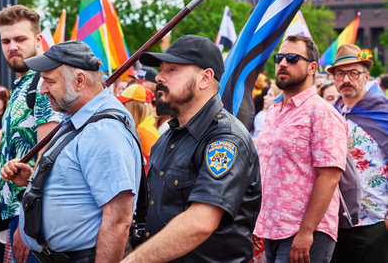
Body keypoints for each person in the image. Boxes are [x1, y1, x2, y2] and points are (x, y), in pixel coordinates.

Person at [122, 35, 261, 262]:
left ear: (205, 78)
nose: (159, 77)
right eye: (161, 69)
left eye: (172, 70)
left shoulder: (225, 139)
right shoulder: (166, 138)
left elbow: (200, 222)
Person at [0, 40, 142, 262]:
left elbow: (117, 221)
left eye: (49, 81)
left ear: (79, 81)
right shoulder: (78, 118)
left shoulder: (103, 131)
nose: (43, 89)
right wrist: (33, 180)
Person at [254, 35, 348, 263]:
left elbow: (329, 177)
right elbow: (265, 170)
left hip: (306, 232)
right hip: (272, 229)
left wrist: (306, 232)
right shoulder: (274, 112)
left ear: (312, 67)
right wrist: (258, 223)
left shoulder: (322, 113)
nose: (283, 63)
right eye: (280, 58)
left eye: (293, 58)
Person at [0, 4, 62, 263]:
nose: (12, 46)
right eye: (6, 40)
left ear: (38, 40)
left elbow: (49, 160)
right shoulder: (22, 84)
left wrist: (27, 223)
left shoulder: (43, 83)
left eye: (20, 39)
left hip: (33, 217)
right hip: (17, 213)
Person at [327, 44, 388, 263]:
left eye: (353, 73)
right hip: (335, 222)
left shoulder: (383, 111)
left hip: (374, 221)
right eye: (340, 73)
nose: (346, 79)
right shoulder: (332, 112)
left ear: (365, 76)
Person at [117, 83, 160, 174]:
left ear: (136, 107)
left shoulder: (143, 133)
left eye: (124, 105)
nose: (121, 108)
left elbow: (148, 171)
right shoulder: (144, 128)